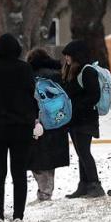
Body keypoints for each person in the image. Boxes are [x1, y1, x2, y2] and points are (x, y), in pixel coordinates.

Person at [0, 33, 36, 222]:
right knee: (19, 172)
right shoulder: (25, 69)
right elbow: (31, 93)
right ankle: (18, 216)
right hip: (20, 126)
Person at [60, 40, 105, 198]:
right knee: (81, 153)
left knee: (84, 152)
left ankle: (95, 185)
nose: (66, 58)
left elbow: (94, 95)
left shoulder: (87, 71)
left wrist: (76, 105)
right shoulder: (72, 71)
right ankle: (84, 185)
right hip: (75, 120)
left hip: (86, 120)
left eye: (69, 55)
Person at [26, 47, 70, 202]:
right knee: (50, 159)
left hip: (38, 122)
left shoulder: (30, 76)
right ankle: (47, 191)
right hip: (58, 121)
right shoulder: (58, 74)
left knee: (36, 159)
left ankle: (44, 192)